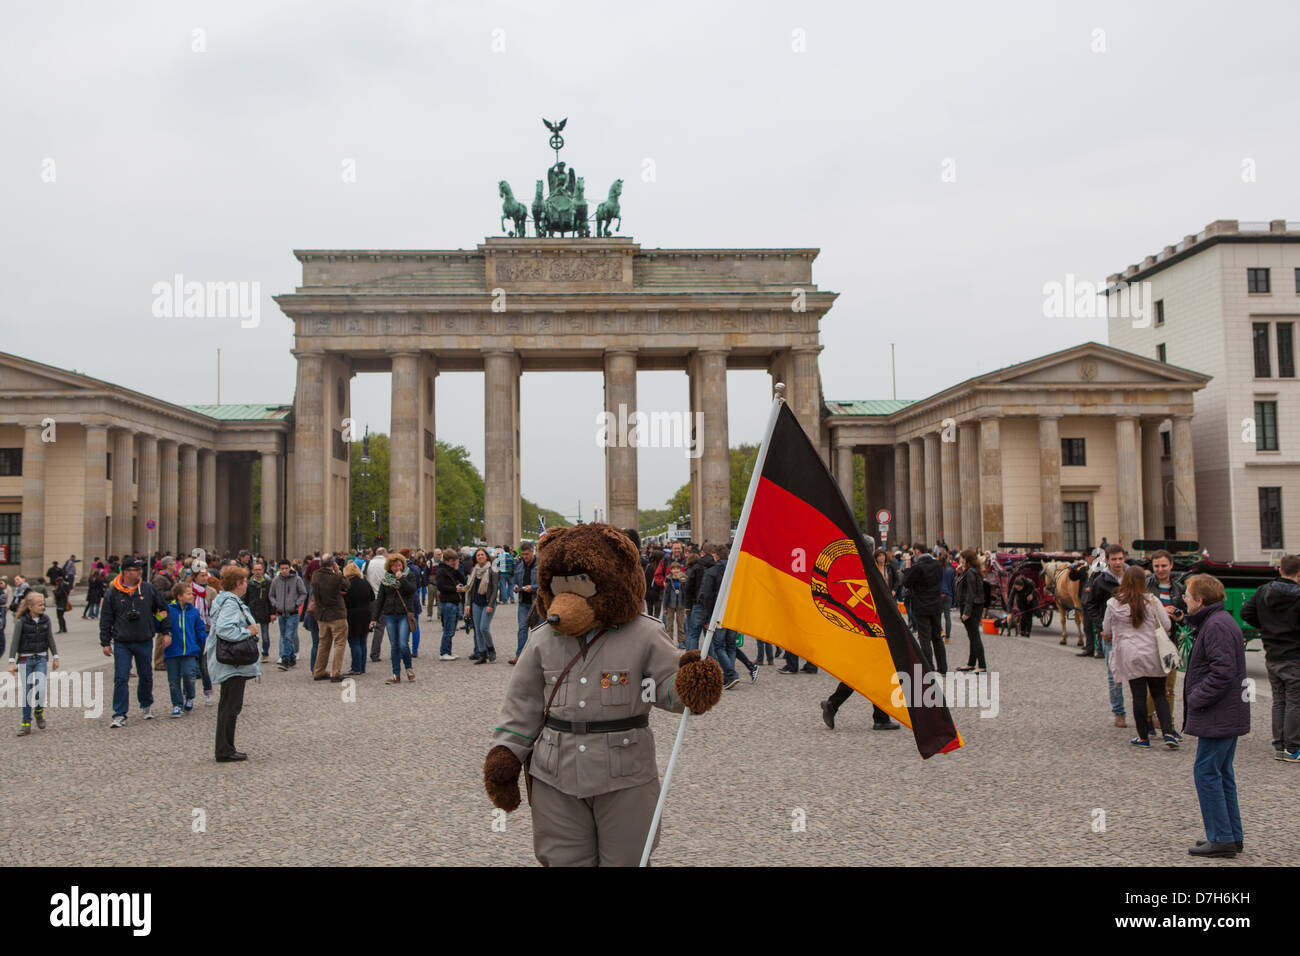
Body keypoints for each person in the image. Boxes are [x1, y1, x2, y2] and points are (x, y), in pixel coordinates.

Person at [1182, 574, 1249, 857]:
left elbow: (1223, 671)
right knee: (1221, 773)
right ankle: (1230, 835)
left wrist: (1196, 698)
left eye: (1187, 595)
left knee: (1207, 773)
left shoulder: (1216, 625)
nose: (1184, 599)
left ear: (1200, 600)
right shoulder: (1218, 621)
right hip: (1224, 713)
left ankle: (1222, 838)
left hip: (1218, 713)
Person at [1103, 565, 1180, 748]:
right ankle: (1168, 733)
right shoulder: (1152, 601)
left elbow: (1106, 630)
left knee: (1138, 696)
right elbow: (1167, 625)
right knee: (1159, 694)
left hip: (1130, 654)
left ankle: (1143, 737)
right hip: (1153, 652)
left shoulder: (1114, 604)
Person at [1241, 553, 1300, 761]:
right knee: (1295, 701)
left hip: (1272, 652)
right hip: (1294, 654)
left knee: (1279, 700)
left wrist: (1266, 627)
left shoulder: (1263, 590)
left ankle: (1279, 744)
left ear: (1280, 570)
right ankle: (1293, 748)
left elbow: (1245, 613)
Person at [100, 557, 169, 728]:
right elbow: (106, 618)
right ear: (125, 572)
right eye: (135, 569)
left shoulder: (148, 589)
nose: (139, 572)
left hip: (144, 639)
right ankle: (119, 713)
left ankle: (146, 704)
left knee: (146, 675)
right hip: (122, 641)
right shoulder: (113, 593)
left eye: (140, 569)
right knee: (121, 678)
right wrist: (105, 641)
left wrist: (162, 629)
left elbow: (162, 609)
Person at [207, 565, 262, 762]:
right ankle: (224, 749)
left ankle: (225, 747)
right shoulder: (231, 603)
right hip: (233, 663)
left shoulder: (224, 600)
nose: (246, 584)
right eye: (245, 581)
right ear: (238, 583)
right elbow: (224, 629)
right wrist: (248, 632)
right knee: (231, 707)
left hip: (230, 662)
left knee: (228, 706)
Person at [1082, 544, 1128, 727]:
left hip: (1132, 632)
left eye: (1120, 559)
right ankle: (1119, 711)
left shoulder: (1131, 577)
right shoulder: (1100, 581)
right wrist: (1101, 626)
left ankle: (1146, 712)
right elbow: (1090, 605)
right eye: (1114, 559)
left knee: (1139, 674)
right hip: (1110, 633)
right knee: (1114, 675)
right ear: (1107, 561)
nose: (1117, 562)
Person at [1146, 550, 1188, 731]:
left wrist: (1179, 617)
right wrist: (1161, 612)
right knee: (1152, 687)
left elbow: (1188, 616)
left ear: (1171, 566)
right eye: (1156, 566)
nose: (1160, 569)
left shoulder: (1180, 590)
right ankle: (1147, 720)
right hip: (1149, 642)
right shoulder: (1146, 587)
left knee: (1170, 687)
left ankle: (1169, 724)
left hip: (1170, 643)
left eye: (1164, 565)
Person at [9, 592, 58, 736]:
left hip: (41, 658)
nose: (43, 607)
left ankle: (38, 710)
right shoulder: (21, 622)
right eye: (40, 604)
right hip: (25, 660)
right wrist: (11, 662)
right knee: (27, 691)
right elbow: (14, 642)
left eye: (43, 604)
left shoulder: (46, 620)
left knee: (40, 688)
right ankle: (26, 723)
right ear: (30, 607)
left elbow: (50, 638)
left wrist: (56, 656)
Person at [163, 581, 207, 717]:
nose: (192, 596)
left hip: (189, 650)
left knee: (189, 675)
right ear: (179, 596)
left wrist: (207, 641)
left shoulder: (193, 612)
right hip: (172, 651)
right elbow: (158, 622)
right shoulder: (168, 610)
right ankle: (177, 704)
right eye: (188, 594)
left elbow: (200, 629)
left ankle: (189, 696)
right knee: (173, 680)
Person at [372, 553, 417, 684]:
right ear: (389, 567)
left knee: (403, 644)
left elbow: (412, 590)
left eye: (399, 565)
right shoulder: (385, 580)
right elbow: (380, 599)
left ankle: (409, 668)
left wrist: (402, 579)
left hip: (404, 613)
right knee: (394, 646)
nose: (397, 568)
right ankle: (396, 674)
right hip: (390, 614)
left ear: (402, 565)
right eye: (394, 566)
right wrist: (374, 618)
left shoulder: (409, 575)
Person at [903, 543, 946, 674]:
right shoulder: (938, 565)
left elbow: (906, 582)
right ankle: (943, 667)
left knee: (924, 638)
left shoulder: (918, 568)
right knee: (937, 637)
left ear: (917, 551)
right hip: (936, 606)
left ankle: (929, 667)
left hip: (921, 606)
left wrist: (908, 567)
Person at [311, 555, 350, 682]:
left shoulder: (315, 575)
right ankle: (335, 672)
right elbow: (347, 585)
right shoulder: (336, 577)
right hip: (336, 614)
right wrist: (338, 570)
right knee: (339, 643)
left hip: (321, 615)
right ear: (333, 564)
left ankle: (318, 671)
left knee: (323, 644)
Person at [462, 547, 499, 665]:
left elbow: (495, 588)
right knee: (477, 630)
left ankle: (491, 649)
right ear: (475, 558)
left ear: (486, 556)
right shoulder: (474, 570)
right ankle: (482, 654)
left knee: (484, 628)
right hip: (476, 603)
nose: (480, 557)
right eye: (478, 555)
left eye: (482, 555)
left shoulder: (493, 569)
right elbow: (469, 588)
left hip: (488, 603)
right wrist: (467, 604)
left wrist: (491, 604)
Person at [954, 549, 987, 673]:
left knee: (974, 636)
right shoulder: (969, 571)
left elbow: (971, 593)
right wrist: (960, 573)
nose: (960, 560)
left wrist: (967, 612)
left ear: (966, 559)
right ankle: (971, 663)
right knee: (972, 636)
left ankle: (982, 665)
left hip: (972, 608)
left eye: (962, 558)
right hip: (973, 606)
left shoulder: (971, 572)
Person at [270, 560, 307, 670]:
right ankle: (292, 657)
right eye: (282, 568)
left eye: (286, 568)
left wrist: (297, 603)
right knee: (284, 636)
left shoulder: (297, 579)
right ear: (279, 569)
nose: (284, 570)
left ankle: (285, 658)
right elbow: (271, 595)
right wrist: (275, 604)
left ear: (290, 568)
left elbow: (303, 593)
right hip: (281, 612)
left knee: (288, 636)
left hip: (293, 613)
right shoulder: (276, 580)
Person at [433, 546, 466, 661]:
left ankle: (448, 651)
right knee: (448, 628)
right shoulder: (441, 571)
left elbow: (463, 580)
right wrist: (454, 588)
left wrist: (457, 570)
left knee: (451, 629)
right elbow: (441, 586)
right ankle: (444, 652)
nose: (456, 562)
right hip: (447, 602)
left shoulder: (452, 570)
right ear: (448, 560)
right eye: (454, 560)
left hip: (455, 601)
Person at [682, 545, 716, 652]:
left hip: (698, 603)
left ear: (702, 553)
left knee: (693, 634)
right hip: (712, 605)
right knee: (709, 634)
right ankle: (712, 660)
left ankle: (691, 659)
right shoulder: (716, 566)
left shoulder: (697, 566)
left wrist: (688, 605)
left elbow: (688, 587)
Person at [343, 561, 374, 675]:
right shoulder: (365, 583)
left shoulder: (347, 584)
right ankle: (362, 666)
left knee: (354, 641)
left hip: (352, 615)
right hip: (366, 614)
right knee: (362, 641)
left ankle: (356, 667)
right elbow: (372, 597)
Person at [509, 541, 538, 664]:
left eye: (527, 554)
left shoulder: (540, 565)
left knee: (537, 630)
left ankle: (537, 658)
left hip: (537, 603)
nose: (525, 557)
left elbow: (546, 583)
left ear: (532, 552)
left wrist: (533, 587)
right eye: (523, 554)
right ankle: (519, 656)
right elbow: (515, 581)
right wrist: (515, 586)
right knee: (522, 628)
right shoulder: (520, 565)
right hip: (523, 602)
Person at [244, 561, 274, 662]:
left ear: (263, 571)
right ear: (252, 571)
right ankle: (254, 653)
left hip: (265, 611)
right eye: (255, 570)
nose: (257, 572)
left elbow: (271, 599)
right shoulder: (249, 584)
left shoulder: (268, 583)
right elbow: (245, 599)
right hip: (252, 612)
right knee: (252, 635)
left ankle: (265, 653)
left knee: (265, 636)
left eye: (259, 569)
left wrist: (272, 613)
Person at [939, 550, 956, 643]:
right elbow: (953, 585)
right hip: (948, 595)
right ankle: (947, 638)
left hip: (939, 594)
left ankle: (941, 631)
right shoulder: (951, 570)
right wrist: (954, 597)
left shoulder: (937, 569)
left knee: (937, 615)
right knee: (947, 617)